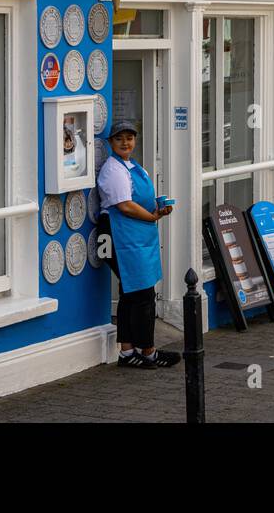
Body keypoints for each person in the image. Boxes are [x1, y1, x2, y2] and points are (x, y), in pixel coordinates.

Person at [96, 121, 181, 369]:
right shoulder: (113, 169)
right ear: (111, 142)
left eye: (130, 138)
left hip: (137, 235)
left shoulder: (134, 167)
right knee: (141, 293)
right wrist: (152, 217)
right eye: (119, 138)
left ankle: (130, 351)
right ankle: (146, 351)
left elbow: (139, 201)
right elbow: (125, 205)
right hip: (120, 234)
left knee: (134, 292)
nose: (125, 143)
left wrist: (158, 208)